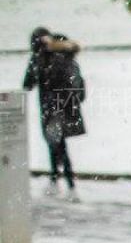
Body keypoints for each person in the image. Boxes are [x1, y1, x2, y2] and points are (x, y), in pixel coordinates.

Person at [22, 27, 84, 198]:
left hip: (51, 108)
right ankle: (56, 182)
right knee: (57, 146)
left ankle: (68, 186)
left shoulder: (41, 58)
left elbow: (27, 84)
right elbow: (79, 84)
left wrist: (35, 60)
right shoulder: (65, 54)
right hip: (66, 106)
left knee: (58, 147)